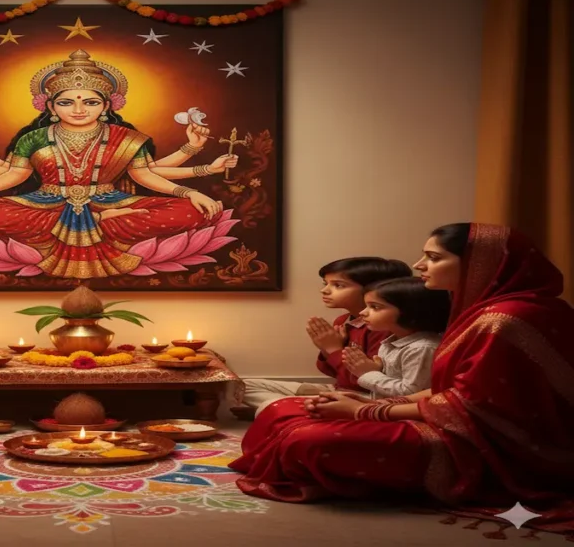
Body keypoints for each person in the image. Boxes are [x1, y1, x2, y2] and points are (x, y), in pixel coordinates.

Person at [229, 223, 574, 534]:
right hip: (444, 418)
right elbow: (447, 390)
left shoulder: (505, 320)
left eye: (433, 257)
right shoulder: (480, 311)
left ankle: (350, 480)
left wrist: (363, 411)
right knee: (283, 411)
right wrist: (364, 402)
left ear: (479, 263)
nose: (419, 265)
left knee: (307, 440)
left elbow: (468, 407)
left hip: (485, 447)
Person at [0, 49, 237, 279]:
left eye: (89, 102)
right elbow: (14, 175)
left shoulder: (124, 137)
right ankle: (94, 225)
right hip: (44, 204)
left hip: (111, 202)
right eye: (66, 102)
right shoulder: (33, 138)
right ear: (50, 106)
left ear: (105, 106)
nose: (78, 109)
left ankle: (101, 220)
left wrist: (188, 193)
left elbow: (145, 176)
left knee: (191, 210)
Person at [240, 257, 413, 414]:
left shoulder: (382, 328)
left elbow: (364, 381)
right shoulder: (344, 320)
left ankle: (284, 408)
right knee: (241, 386)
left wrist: (334, 349)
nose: (325, 290)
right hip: (341, 388)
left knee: (272, 403)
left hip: (367, 395)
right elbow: (331, 372)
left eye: (338, 285)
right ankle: (285, 407)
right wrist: (325, 349)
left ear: (374, 288)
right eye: (326, 283)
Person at [345, 277, 450, 399]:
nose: (363, 312)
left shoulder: (421, 348)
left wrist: (367, 373)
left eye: (375, 307)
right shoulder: (391, 342)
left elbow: (411, 393)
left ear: (410, 311)